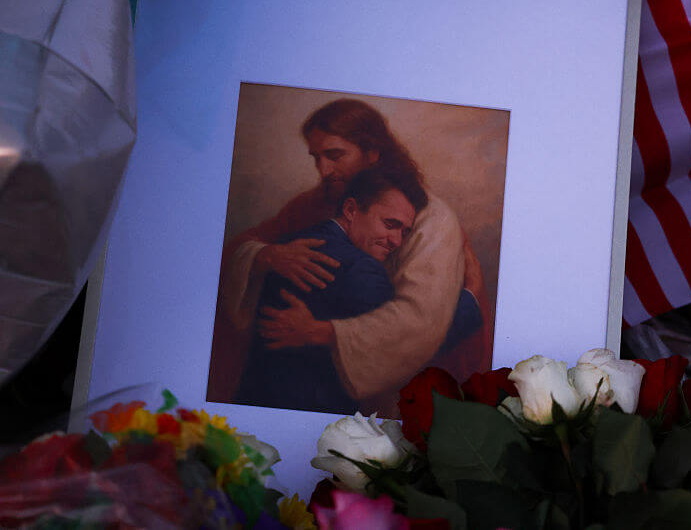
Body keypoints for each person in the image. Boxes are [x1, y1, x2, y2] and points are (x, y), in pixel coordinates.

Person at [208, 99, 491, 406]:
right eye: (317, 158)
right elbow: (220, 260)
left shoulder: (431, 219)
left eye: (334, 155)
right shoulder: (315, 209)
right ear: (351, 210)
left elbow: (416, 328)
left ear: (372, 153)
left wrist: (323, 331)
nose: (323, 170)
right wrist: (267, 256)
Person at [234, 166, 425, 413]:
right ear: (351, 210)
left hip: (251, 405)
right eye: (390, 225)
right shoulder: (361, 269)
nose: (397, 241)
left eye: (404, 231)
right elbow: (404, 344)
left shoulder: (286, 245)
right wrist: (466, 301)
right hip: (316, 416)